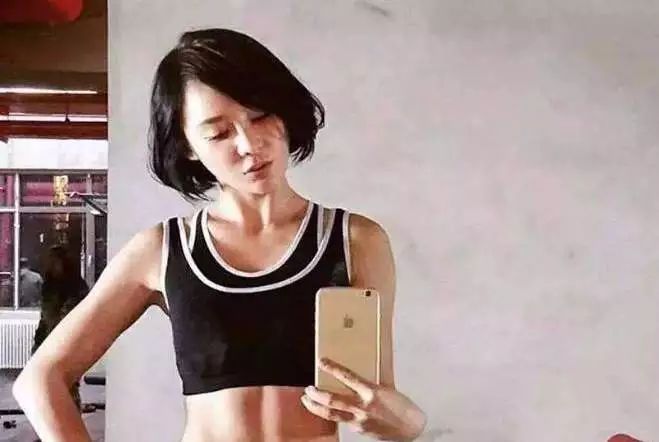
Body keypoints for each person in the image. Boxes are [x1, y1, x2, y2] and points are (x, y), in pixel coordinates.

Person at [13, 28, 427, 441]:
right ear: (188, 146)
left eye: (260, 116)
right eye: (219, 133)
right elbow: (40, 379)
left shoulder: (356, 241)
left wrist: (408, 422)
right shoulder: (163, 250)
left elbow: (382, 405)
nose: (249, 144)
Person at [30, 245, 89, 412]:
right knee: (46, 389)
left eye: (54, 261)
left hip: (67, 344)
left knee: (67, 388)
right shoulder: (49, 286)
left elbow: (73, 318)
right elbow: (44, 318)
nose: (50, 265)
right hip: (49, 341)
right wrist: (38, 344)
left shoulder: (76, 288)